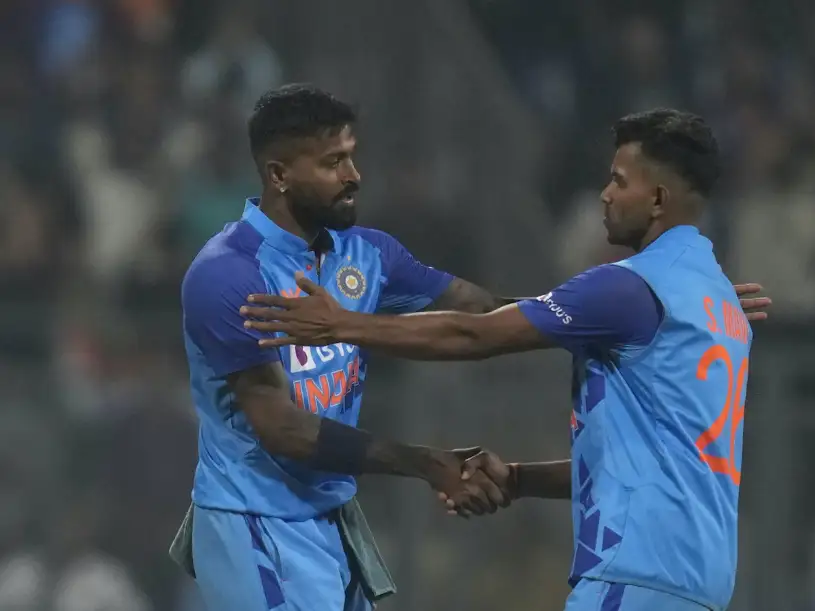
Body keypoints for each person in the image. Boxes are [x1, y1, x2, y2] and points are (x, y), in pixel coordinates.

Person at [241, 108, 762, 611]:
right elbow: (643, 465)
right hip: (699, 580)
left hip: (635, 571)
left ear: (657, 199)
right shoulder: (714, 302)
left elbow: (474, 333)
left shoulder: (629, 287)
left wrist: (343, 325)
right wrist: (517, 478)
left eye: (618, 181)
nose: (604, 194)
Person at [178, 83, 525, 611]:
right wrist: (425, 462)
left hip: (331, 519)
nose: (353, 176)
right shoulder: (228, 273)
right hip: (255, 524)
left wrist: (582, 318)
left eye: (351, 158)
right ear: (278, 175)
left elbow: (480, 311)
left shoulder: (368, 254)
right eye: (332, 162)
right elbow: (285, 430)